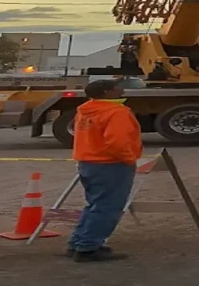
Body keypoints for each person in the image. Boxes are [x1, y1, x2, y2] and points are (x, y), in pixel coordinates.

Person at [68, 79, 142, 262]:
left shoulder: (86, 110)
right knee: (108, 207)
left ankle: (78, 242)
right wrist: (129, 159)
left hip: (88, 162)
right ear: (107, 93)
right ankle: (87, 248)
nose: (121, 88)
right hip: (110, 164)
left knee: (95, 204)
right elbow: (117, 142)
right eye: (116, 86)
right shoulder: (116, 112)